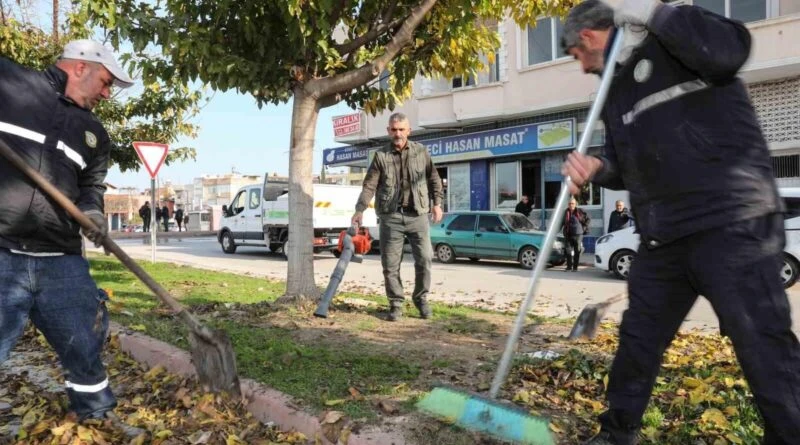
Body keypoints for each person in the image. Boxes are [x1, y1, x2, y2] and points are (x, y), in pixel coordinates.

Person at [560, 1, 800, 443]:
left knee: (761, 342)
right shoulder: (614, 91)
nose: (580, 68)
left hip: (732, 223)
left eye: (575, 56)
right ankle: (616, 433)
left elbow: (732, 48)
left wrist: (652, 10)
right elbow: (623, 161)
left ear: (589, 38)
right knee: (638, 340)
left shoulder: (674, 42)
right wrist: (597, 167)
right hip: (664, 235)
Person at [0, 40, 136, 428]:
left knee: (85, 340)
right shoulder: (10, 83)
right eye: (106, 82)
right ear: (80, 67)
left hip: (60, 259)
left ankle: (94, 413)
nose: (107, 94)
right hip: (2, 251)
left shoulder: (94, 133)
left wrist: (92, 214)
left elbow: (91, 185)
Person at [352, 113, 443, 321]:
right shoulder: (381, 156)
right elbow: (369, 185)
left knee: (425, 259)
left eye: (402, 129)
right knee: (390, 264)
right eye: (394, 130)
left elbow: (434, 179)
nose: (398, 134)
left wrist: (437, 204)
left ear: (409, 131)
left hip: (418, 216)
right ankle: (395, 304)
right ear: (388, 131)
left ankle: (421, 300)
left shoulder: (421, 152)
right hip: (391, 217)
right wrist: (359, 210)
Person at [562, 197, 589, 271]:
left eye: (572, 203)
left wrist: (583, 229)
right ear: (568, 204)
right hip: (568, 234)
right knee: (568, 251)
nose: (571, 205)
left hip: (578, 235)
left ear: (575, 204)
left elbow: (588, 220)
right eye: (570, 204)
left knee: (577, 251)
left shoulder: (580, 211)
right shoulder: (566, 212)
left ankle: (575, 267)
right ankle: (569, 267)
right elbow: (562, 222)